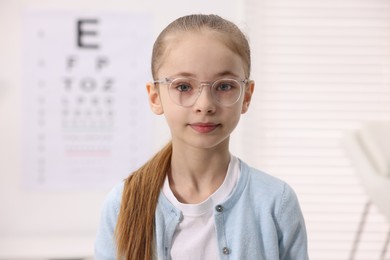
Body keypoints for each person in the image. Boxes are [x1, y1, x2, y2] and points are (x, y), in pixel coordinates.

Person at [94, 14, 309, 260]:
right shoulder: (123, 204)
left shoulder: (276, 202)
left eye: (225, 86)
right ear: (155, 97)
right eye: (184, 87)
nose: (205, 105)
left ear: (246, 96)